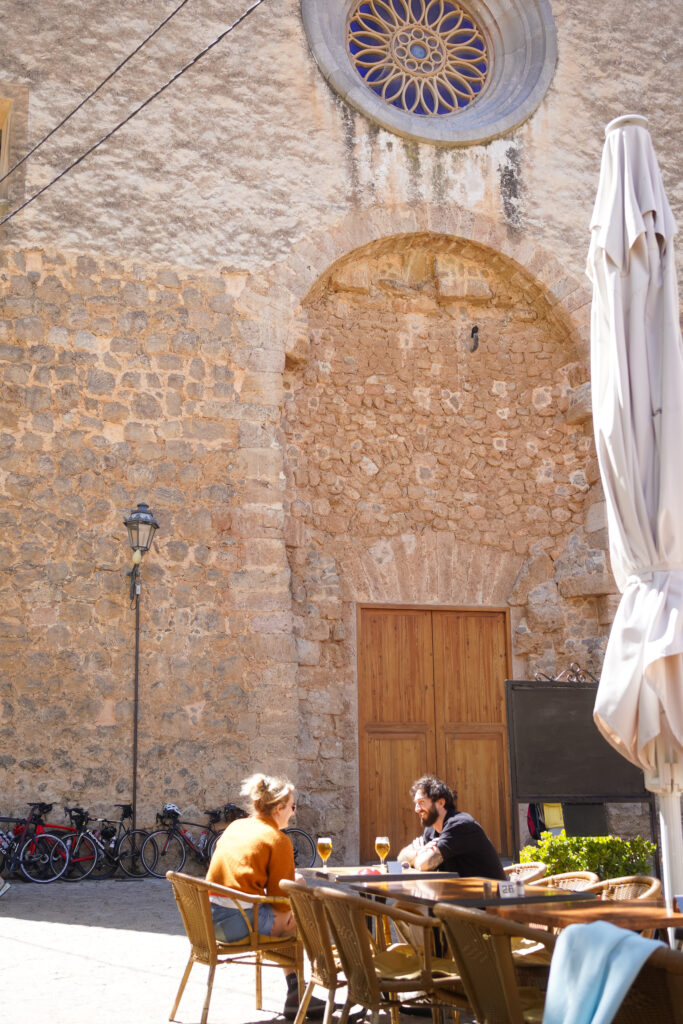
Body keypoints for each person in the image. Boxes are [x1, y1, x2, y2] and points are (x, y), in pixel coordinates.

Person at [206, 772, 325, 1021]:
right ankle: (302, 991)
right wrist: (299, 885)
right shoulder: (278, 839)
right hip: (235, 923)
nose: (293, 812)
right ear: (279, 807)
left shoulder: (236, 826)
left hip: (206, 921)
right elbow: (282, 903)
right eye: (292, 806)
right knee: (300, 917)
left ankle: (297, 991)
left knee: (292, 915)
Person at [397, 774, 506, 880]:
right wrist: (419, 852)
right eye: (416, 803)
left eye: (421, 802)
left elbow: (424, 865)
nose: (417, 809)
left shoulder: (459, 825)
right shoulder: (431, 830)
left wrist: (417, 857)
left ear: (440, 802)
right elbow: (401, 858)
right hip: (456, 894)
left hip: (488, 894)